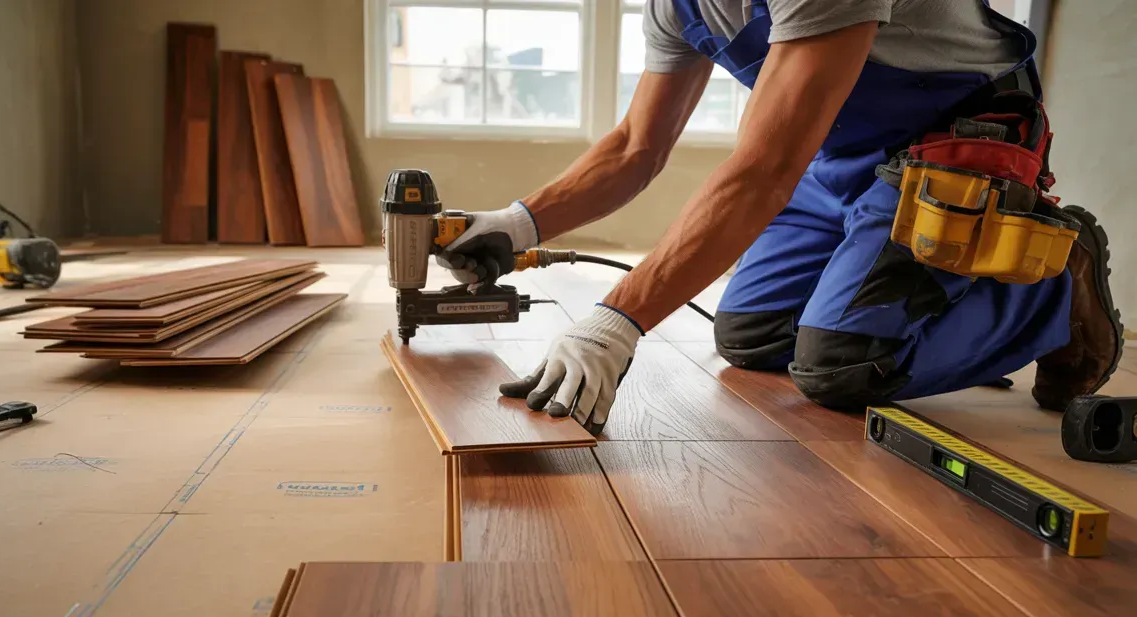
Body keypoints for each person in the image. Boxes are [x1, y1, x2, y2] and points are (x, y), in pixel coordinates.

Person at [436, 0, 1124, 434]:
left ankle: (1055, 289)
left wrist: (615, 323)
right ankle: (927, 298)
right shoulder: (675, 6)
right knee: (754, 334)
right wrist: (516, 225)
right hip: (837, 155)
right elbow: (635, 148)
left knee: (843, 367)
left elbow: (763, 171)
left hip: (958, 141)